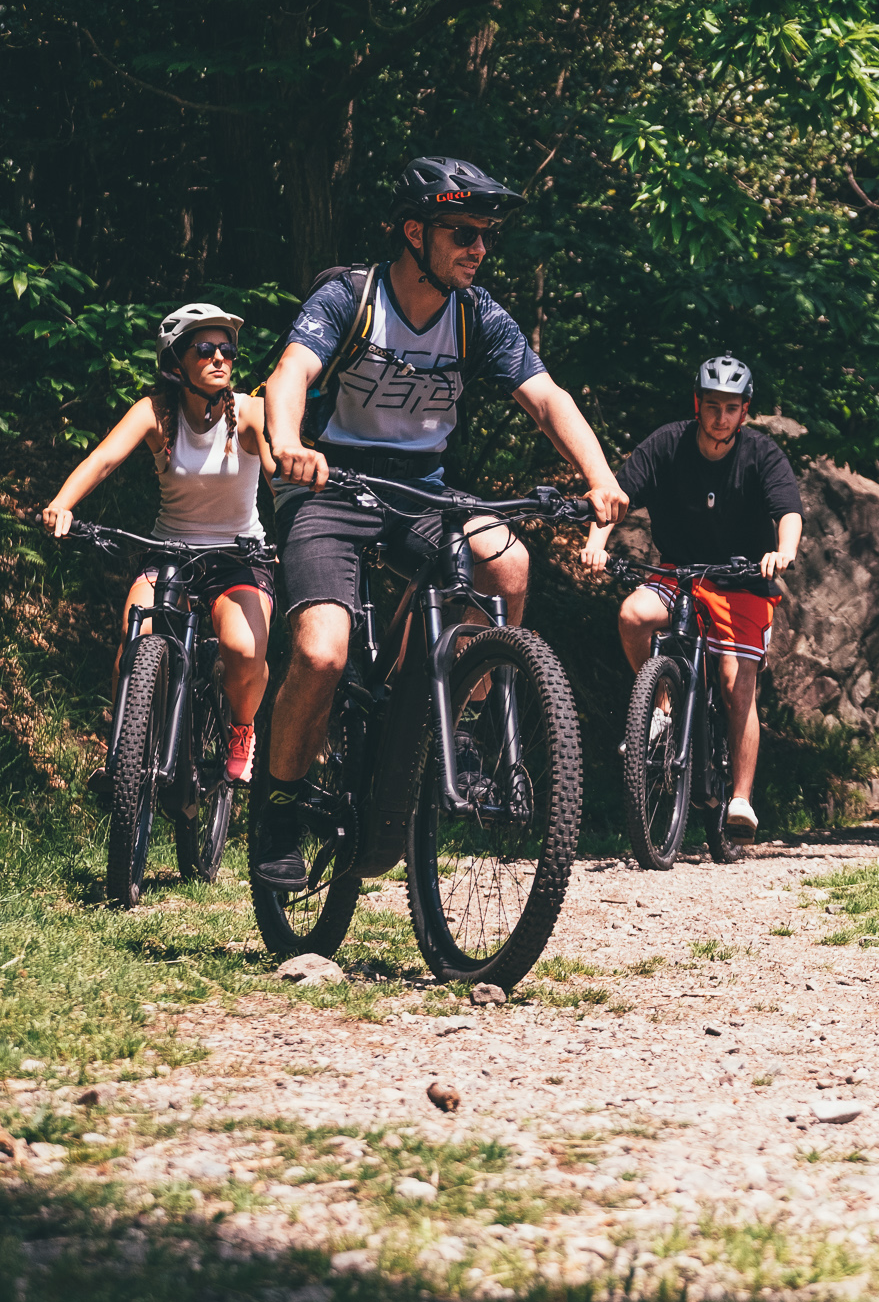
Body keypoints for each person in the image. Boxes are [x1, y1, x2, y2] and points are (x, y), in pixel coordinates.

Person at [253, 155, 629, 890]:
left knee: (507, 562)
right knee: (324, 654)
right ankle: (279, 806)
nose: (479, 250)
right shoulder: (349, 297)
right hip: (328, 483)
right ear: (414, 231)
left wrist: (600, 474)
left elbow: (546, 398)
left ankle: (445, 712)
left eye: (486, 236)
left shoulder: (476, 315)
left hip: (421, 491)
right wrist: (290, 443)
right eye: (464, 232)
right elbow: (289, 374)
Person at [42, 303, 274, 786]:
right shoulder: (155, 413)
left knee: (243, 651)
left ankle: (241, 727)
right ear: (176, 362)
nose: (219, 358)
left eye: (227, 349)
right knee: (134, 643)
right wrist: (63, 502)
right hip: (169, 551)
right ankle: (121, 756)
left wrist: (297, 504)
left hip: (239, 557)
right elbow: (104, 459)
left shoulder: (251, 412)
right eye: (205, 349)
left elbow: (276, 470)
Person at [578, 354, 802, 842]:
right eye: (713, 405)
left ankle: (740, 799)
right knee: (634, 614)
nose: (721, 417)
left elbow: (788, 511)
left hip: (741, 581)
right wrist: (596, 544)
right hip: (680, 573)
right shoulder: (667, 444)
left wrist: (782, 553)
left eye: (732, 408)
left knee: (734, 680)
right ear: (697, 403)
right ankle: (662, 710)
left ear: (745, 412)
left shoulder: (762, 455)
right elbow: (616, 495)